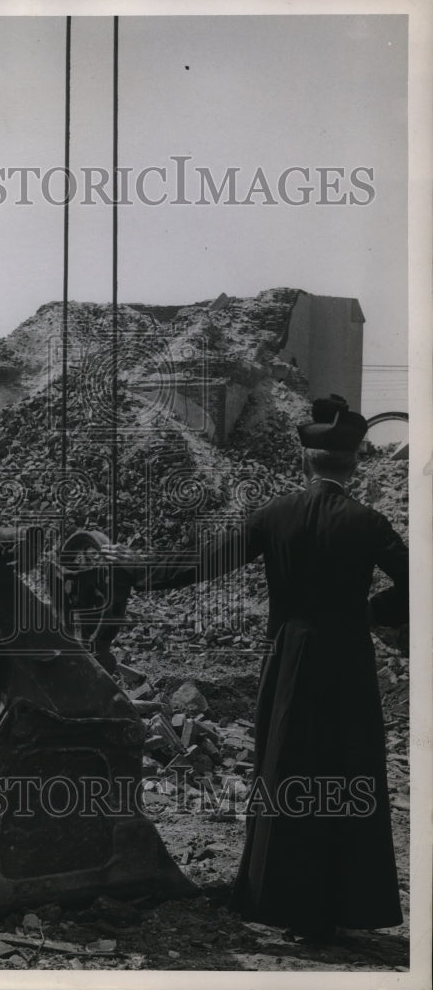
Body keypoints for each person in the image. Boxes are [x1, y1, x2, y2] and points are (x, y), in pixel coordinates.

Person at [102, 394, 408, 943]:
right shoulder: (369, 522)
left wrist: (133, 574)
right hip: (347, 662)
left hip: (289, 657)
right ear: (354, 462)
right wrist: (369, 613)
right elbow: (417, 587)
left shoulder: (275, 515)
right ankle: (340, 907)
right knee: (346, 769)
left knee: (286, 769)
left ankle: (281, 901)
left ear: (303, 461)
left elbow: (203, 564)